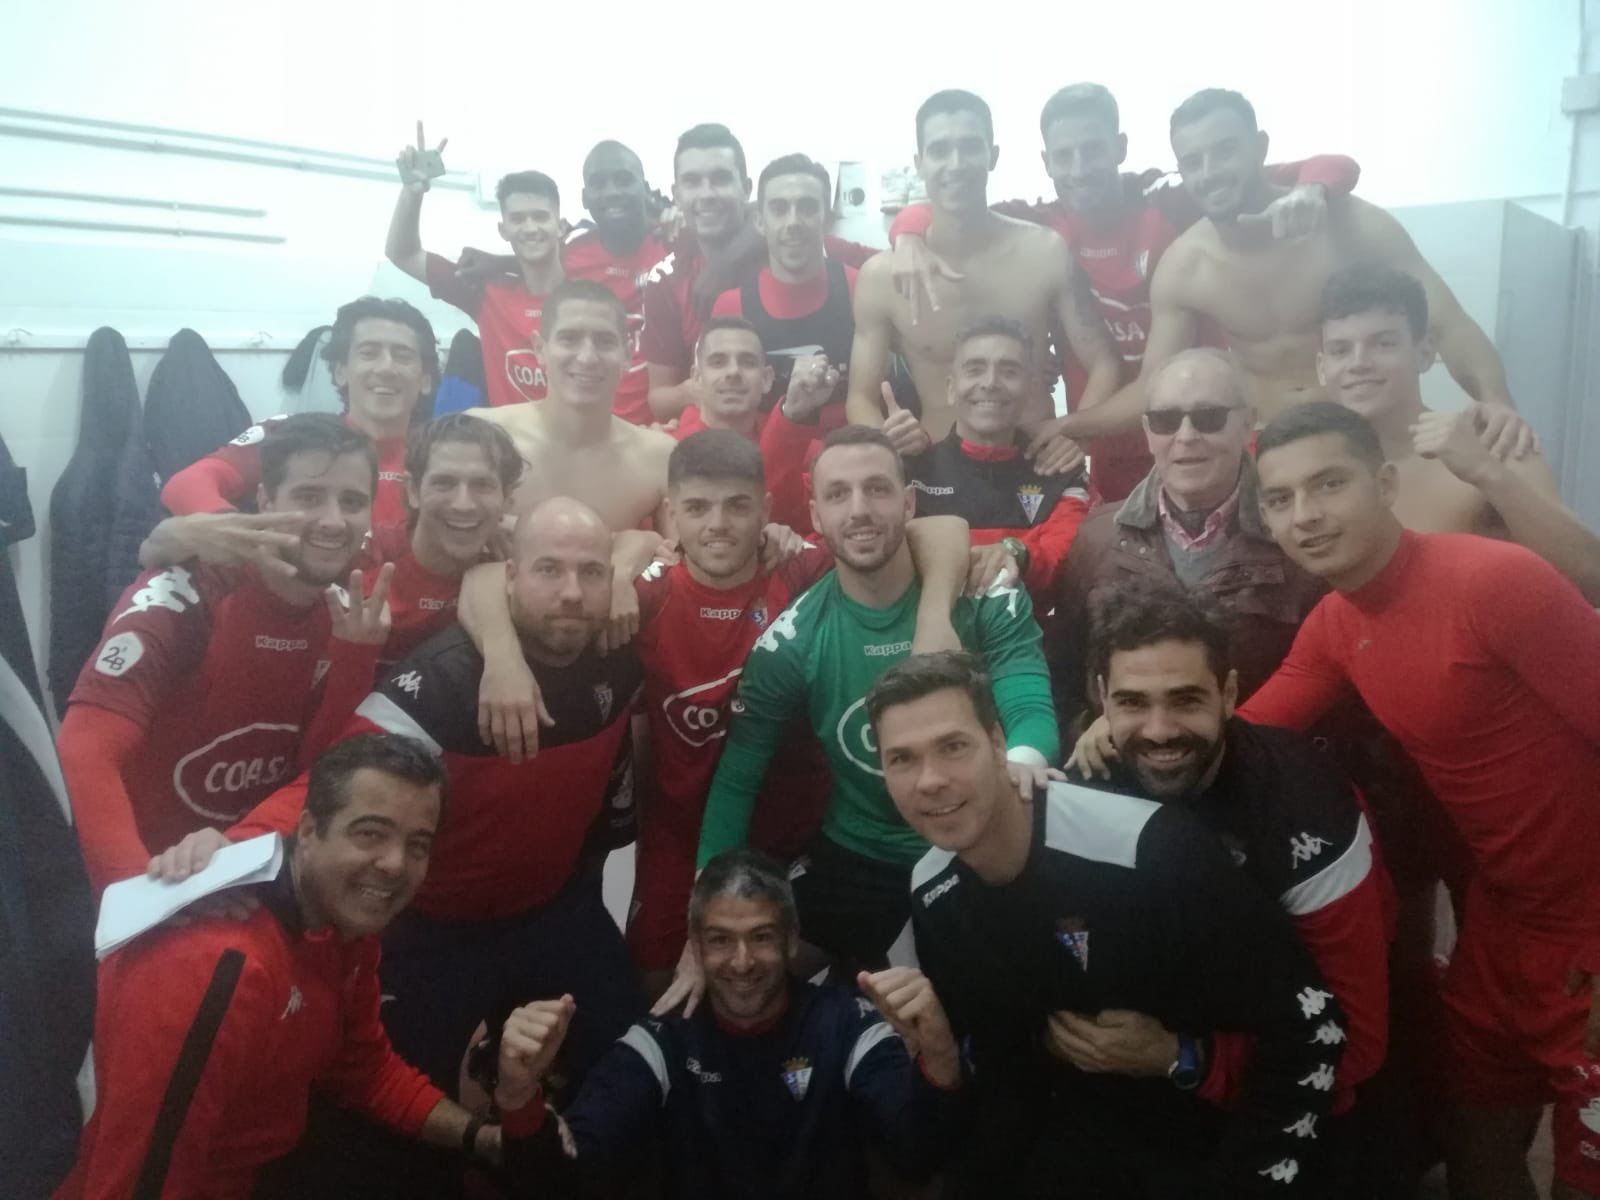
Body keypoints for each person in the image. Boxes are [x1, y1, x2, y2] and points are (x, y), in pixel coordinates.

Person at [1242, 401, 1600, 1200]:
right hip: (1503, 926)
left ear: (1388, 483)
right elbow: (1244, 740)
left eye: (1328, 484)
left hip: (1591, 925)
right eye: (1280, 497)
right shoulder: (1338, 622)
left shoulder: (1495, 581)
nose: (1305, 515)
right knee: (1473, 1141)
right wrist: (1107, 757)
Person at [464, 432, 969, 991]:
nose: (719, 524)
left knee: (781, 981)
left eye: (738, 506)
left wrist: (937, 612)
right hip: (679, 837)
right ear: (672, 514)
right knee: (662, 983)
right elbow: (485, 578)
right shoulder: (642, 597)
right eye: (698, 508)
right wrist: (502, 652)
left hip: (797, 838)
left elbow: (937, 529)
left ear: (768, 510)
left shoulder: (800, 570)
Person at [870, 651, 1346, 1198]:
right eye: (901, 760)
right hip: (1070, 1148)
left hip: (1204, 1148)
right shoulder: (932, 888)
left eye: (953, 747)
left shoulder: (1150, 849)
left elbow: (1313, 1028)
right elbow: (1006, 1068)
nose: (930, 781)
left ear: (998, 743)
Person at [56, 734, 503, 1199]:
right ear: (308, 832)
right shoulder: (221, 967)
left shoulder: (344, 923)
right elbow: (135, 1184)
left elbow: (363, 1069)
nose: (394, 864)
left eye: (417, 844)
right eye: (370, 833)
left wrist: (481, 1137)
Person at [689, 426, 1058, 984]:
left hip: (980, 835)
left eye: (878, 490)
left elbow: (1025, 688)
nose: (859, 510)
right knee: (746, 981)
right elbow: (740, 775)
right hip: (858, 853)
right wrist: (706, 912)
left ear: (908, 502)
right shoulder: (791, 642)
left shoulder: (984, 588)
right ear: (815, 513)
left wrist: (1024, 765)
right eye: (839, 494)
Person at [890, 82, 1361, 501]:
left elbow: (1327, 164)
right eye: (1064, 155)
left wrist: (1314, 190)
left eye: (1092, 150)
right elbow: (959, 212)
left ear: (1119, 147)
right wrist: (907, 231)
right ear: (1046, 162)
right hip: (1104, 443)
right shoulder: (1040, 227)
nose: (1079, 169)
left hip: (1199, 429)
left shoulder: (1170, 195)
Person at [1057, 580, 1389, 1128]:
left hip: (1281, 1078)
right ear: (1101, 697)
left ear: (1230, 694)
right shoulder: (1082, 786)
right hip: (1149, 1071)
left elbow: (1357, 1044)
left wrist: (1182, 1056)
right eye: (1132, 702)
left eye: (1186, 700)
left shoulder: (1305, 805)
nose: (1159, 731)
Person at [1040, 89, 1525, 453]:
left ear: (1260, 147)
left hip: (1367, 437)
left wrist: (1497, 401)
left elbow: (1447, 322)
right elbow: (1151, 388)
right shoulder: (1186, 267)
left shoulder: (1349, 224)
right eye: (1193, 161)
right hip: (1268, 446)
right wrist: (1067, 426)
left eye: (1224, 151)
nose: (1209, 171)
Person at [494, 850, 966, 1199]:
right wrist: (519, 1099)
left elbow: (919, 1154)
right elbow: (567, 1179)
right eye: (721, 940)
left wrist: (940, 1056)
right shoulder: (663, 1038)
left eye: (761, 937)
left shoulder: (845, 1022)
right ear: (695, 947)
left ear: (791, 941)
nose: (742, 963)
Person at [59, 415, 391, 892]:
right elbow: (85, 746)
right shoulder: (186, 593)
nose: (334, 520)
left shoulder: (351, 608)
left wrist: (356, 660)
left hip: (259, 864)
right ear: (264, 502)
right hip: (154, 877)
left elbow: (320, 769)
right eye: (309, 497)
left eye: (353, 502)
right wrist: (138, 900)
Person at [1051, 347, 1321, 730]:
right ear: (1147, 432)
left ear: (1248, 424)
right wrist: (1086, 735)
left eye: (1209, 418)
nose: (1187, 436)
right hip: (1129, 775)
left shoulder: (1299, 537)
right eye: (1165, 420)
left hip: (1260, 776)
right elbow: (1065, 673)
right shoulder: (1097, 539)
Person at [845, 89, 1122, 460]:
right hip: (934, 470)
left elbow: (1102, 362)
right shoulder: (881, 278)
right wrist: (886, 443)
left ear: (992, 156)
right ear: (920, 162)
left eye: (970, 147)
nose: (956, 163)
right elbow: (859, 397)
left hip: (1035, 463)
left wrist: (1075, 434)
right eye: (940, 150)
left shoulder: (1045, 252)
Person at [139, 412, 523, 675]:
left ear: (507, 499)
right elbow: (165, 552)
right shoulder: (356, 555)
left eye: (482, 486)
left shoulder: (517, 565)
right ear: (414, 492)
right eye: (444, 483)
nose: (462, 503)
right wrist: (171, 535)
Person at [1318, 264, 1600, 601]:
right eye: (1341, 350)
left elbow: (1591, 577)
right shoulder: (1311, 471)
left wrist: (1487, 473)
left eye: (1383, 344)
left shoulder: (1493, 441)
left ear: (1424, 354)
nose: (1358, 363)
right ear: (1323, 367)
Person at [161, 297, 439, 557]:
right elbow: (186, 483)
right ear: (341, 371)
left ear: (426, 379)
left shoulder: (447, 454)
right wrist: (236, 535)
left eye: (402, 356)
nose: (386, 368)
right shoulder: (291, 436)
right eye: (369, 353)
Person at [644, 125, 875, 420]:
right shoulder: (666, 278)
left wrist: (910, 230)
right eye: (692, 181)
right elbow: (659, 398)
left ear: (747, 188)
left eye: (721, 178)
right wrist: (700, 390)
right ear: (676, 193)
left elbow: (899, 258)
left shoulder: (796, 242)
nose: (707, 194)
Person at [902, 317, 1091, 607]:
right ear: (952, 388)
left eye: (1009, 371)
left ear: (1030, 389)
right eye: (975, 369)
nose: (990, 383)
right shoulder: (911, 469)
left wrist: (1016, 553)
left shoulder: (1061, 469)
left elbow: (1062, 558)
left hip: (1036, 639)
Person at [467, 279, 676, 532]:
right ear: (539, 349)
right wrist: (624, 544)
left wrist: (646, 546)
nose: (587, 357)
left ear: (628, 354)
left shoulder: (658, 458)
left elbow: (680, 559)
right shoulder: (482, 437)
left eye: (604, 341)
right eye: (569, 339)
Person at [386, 124, 564, 410]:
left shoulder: (589, 290)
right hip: (510, 450)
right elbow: (402, 253)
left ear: (560, 226)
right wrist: (412, 192)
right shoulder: (484, 290)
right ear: (503, 229)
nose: (530, 228)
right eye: (517, 219)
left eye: (540, 217)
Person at [709, 153, 858, 416]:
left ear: (829, 220)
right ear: (759, 221)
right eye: (779, 209)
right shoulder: (732, 306)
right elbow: (720, 413)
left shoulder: (859, 288)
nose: (793, 222)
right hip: (766, 454)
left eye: (808, 208)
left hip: (852, 453)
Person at [675, 315, 773, 441]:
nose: (733, 371)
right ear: (697, 378)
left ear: (766, 379)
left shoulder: (789, 448)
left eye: (748, 362)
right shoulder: (665, 451)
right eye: (718, 362)